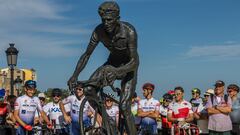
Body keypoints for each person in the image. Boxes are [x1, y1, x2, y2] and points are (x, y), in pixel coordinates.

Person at [67, 1, 139, 134]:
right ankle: (107, 121)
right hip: (111, 64)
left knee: (124, 107)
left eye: (109, 20)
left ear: (117, 18)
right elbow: (86, 55)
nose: (106, 23)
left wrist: (118, 71)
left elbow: (135, 61)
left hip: (128, 68)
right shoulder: (99, 31)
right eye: (103, 20)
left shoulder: (129, 31)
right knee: (88, 89)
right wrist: (74, 75)